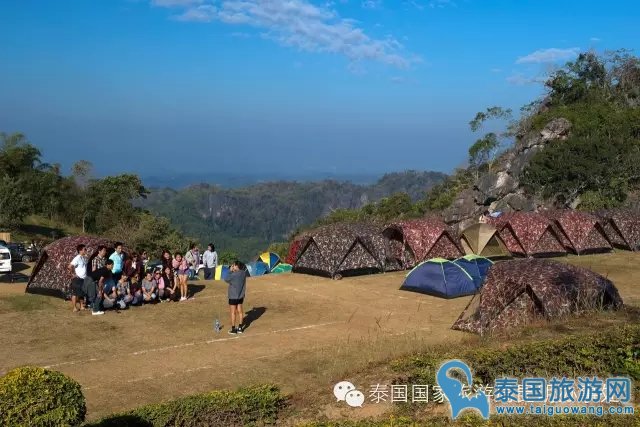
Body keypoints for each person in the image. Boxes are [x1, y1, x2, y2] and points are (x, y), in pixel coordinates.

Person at [225, 260, 247, 335]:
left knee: (233, 313)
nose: (232, 266)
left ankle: (233, 329)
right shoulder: (243, 273)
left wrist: (230, 271)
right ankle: (240, 327)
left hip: (233, 296)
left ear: (237, 266)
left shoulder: (233, 275)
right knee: (240, 312)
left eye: (233, 265)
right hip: (240, 295)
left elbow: (226, 279)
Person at [68, 244, 88, 312]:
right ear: (80, 250)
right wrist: (73, 274)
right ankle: (74, 308)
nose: (86, 250)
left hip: (83, 279)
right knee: (75, 293)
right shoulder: (77, 258)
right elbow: (70, 266)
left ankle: (82, 306)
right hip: (77, 279)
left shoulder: (84, 257)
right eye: (84, 249)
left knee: (82, 293)